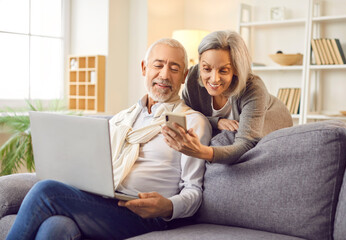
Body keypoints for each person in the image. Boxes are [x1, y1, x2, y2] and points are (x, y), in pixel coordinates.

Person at [6, 38, 212, 240]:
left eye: (174, 69)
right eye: (158, 65)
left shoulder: (192, 123)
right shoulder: (122, 119)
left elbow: (193, 190)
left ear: (184, 75)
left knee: (46, 190)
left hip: (147, 217)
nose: (164, 75)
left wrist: (168, 206)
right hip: (104, 202)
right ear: (144, 68)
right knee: (57, 226)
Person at [162, 30, 292, 164]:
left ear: (236, 68)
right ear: (200, 63)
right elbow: (188, 115)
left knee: (225, 140)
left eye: (223, 70)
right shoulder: (193, 77)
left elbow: (246, 144)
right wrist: (216, 121)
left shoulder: (253, 88)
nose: (214, 79)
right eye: (206, 68)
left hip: (272, 117)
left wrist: (201, 151)